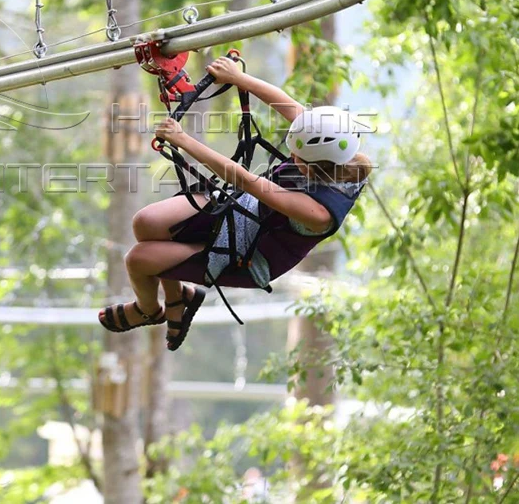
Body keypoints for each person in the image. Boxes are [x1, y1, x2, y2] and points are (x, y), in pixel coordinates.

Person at [99, 56, 372, 350]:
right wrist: (238, 77)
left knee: (138, 260)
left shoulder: (318, 213)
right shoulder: (335, 144)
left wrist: (185, 141)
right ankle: (179, 299)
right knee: (146, 222)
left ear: (317, 168)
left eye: (298, 159)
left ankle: (149, 310)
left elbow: (245, 180)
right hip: (244, 209)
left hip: (248, 255)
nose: (292, 158)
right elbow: (286, 105)